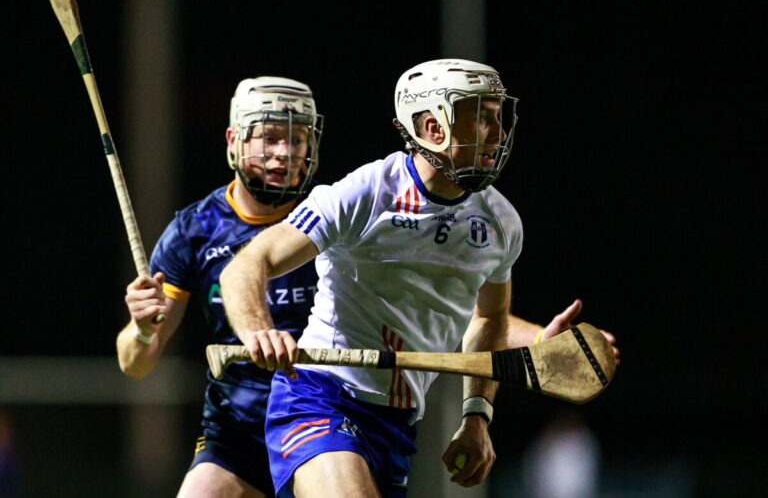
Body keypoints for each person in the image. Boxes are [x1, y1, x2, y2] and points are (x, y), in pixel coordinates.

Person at [220, 59, 619, 497]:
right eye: (481, 118)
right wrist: (258, 331)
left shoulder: (500, 223)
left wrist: (478, 415)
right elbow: (249, 262)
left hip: (398, 421)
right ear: (432, 127)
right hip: (320, 395)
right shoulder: (366, 193)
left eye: (498, 117)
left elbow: (488, 320)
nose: (498, 133)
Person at [116, 77, 324, 497]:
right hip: (236, 432)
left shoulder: (332, 216)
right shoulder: (194, 230)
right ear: (234, 140)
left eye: (296, 139)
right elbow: (134, 365)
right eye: (269, 137)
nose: (284, 153)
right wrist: (141, 327)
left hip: (323, 420)